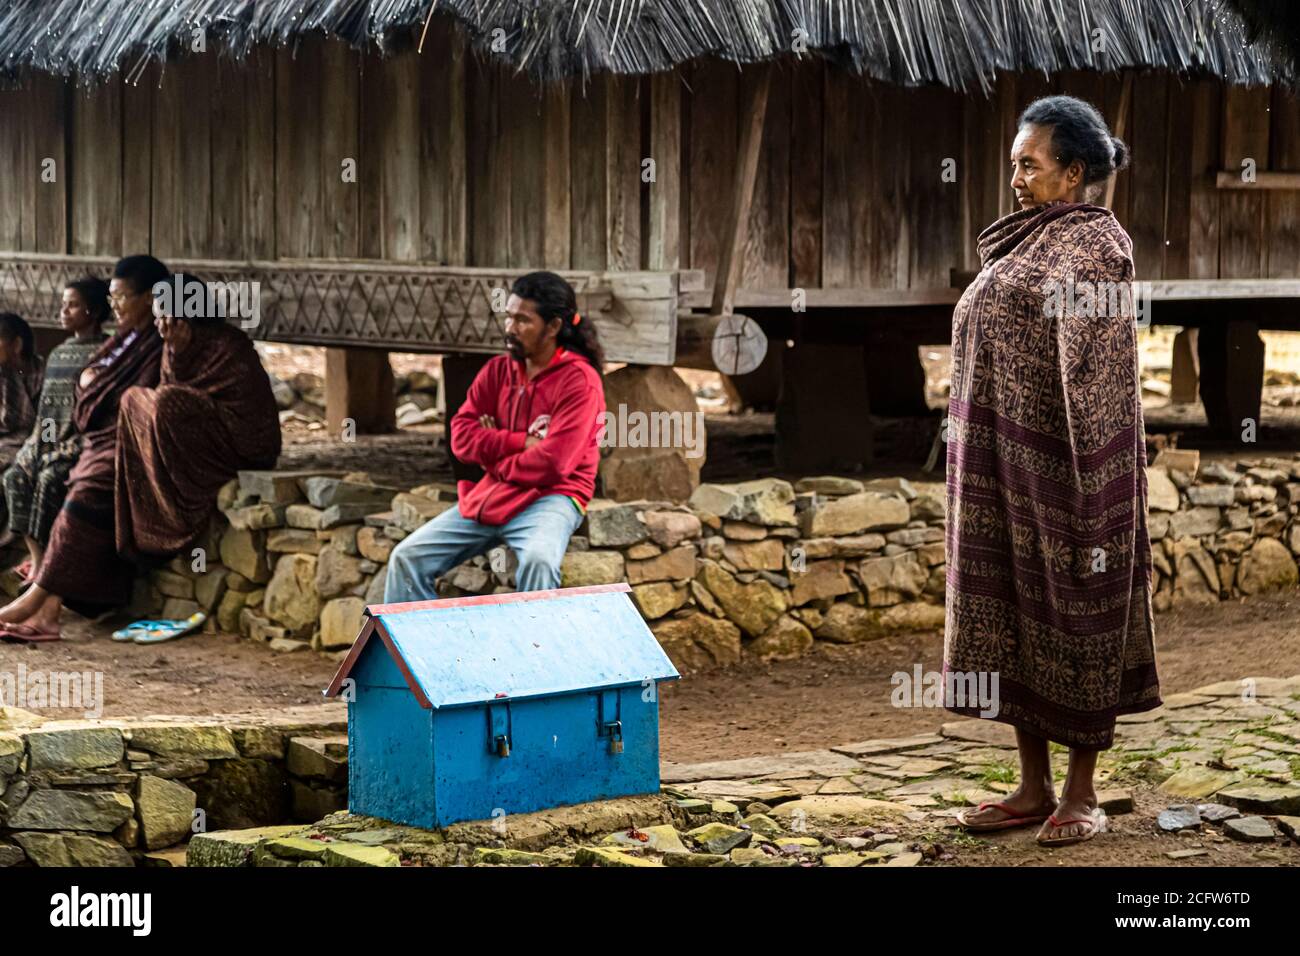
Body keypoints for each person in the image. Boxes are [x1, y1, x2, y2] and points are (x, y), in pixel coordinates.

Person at [945, 95, 1159, 847]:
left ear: (1073, 173)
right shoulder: (1020, 243)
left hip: (1068, 474)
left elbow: (1098, 367)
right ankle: (1032, 786)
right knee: (1006, 612)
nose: (1017, 177)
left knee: (1074, 616)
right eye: (1014, 164)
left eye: (1030, 165)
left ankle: (1082, 793)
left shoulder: (1096, 246)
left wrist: (1089, 477)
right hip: (997, 469)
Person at [384, 271, 605, 603]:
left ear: (554, 327)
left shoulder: (579, 382)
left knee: (539, 561)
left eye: (522, 320)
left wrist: (492, 454)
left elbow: (555, 464)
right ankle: (407, 654)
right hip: (491, 495)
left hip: (552, 497)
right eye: (508, 317)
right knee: (407, 558)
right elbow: (460, 439)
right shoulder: (496, 371)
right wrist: (516, 443)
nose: (510, 328)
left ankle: (531, 655)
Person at [0, 255, 166, 639]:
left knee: (66, 486)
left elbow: (142, 407)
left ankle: (46, 607)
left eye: (122, 297)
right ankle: (40, 575)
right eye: (113, 298)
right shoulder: (121, 344)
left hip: (116, 448)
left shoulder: (156, 343)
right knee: (21, 475)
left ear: (149, 299)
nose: (116, 306)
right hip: (91, 445)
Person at [114, 272, 281, 560]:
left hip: (243, 445)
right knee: (133, 399)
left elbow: (178, 402)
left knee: (166, 400)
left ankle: (183, 505)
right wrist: (177, 354)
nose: (157, 323)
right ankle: (153, 508)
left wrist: (178, 357)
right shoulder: (173, 344)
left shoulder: (230, 346)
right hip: (197, 438)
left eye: (162, 314)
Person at [2, 278, 110, 582]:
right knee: (15, 476)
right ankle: (37, 560)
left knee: (50, 479)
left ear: (94, 310)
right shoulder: (59, 353)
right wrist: (35, 448)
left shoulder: (105, 352)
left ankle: (50, 568)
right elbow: (47, 414)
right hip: (47, 441)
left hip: (81, 444)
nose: (63, 310)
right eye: (63, 304)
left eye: (72, 304)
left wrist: (64, 448)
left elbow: (94, 415)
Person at [0, 313, 43, 472]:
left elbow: (51, 421)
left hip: (30, 445)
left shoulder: (45, 376)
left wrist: (45, 450)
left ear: (17, 345)